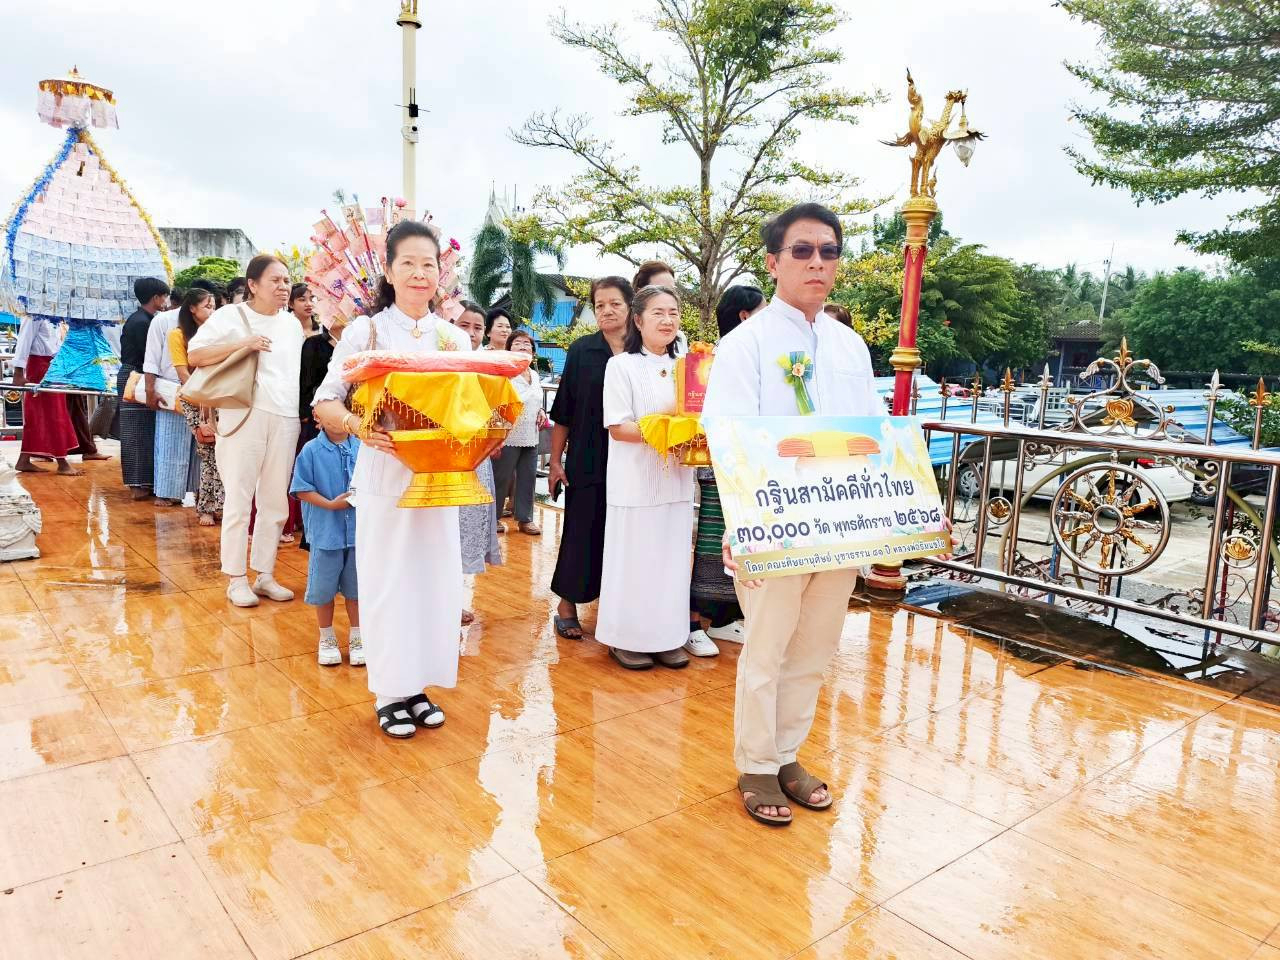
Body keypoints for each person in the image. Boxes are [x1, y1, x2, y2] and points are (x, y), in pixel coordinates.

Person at [703, 202, 881, 827]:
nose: (817, 262)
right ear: (774, 262)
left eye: (828, 252)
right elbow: (727, 439)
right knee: (768, 645)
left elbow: (871, 434)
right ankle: (754, 762)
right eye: (802, 251)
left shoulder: (850, 345)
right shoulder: (745, 344)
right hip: (774, 519)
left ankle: (786, 753)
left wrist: (878, 518)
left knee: (814, 647)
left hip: (839, 522)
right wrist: (740, 521)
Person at [312, 220, 471, 739]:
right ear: (389, 270)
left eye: (429, 264)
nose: (420, 274)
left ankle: (418, 684)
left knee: (434, 580)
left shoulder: (454, 337)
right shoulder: (367, 332)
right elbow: (325, 401)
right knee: (387, 580)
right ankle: (388, 691)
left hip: (438, 478)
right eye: (408, 263)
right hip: (384, 475)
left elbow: (470, 403)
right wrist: (360, 426)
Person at [187, 254, 303, 608]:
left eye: (286, 280)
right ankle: (236, 578)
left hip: (285, 417)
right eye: (275, 280)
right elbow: (195, 355)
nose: (283, 287)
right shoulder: (229, 317)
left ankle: (265, 574)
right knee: (238, 498)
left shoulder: (292, 325)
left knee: (274, 500)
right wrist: (243, 342)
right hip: (242, 415)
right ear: (253, 285)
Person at [597, 284, 696, 670]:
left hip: (675, 480)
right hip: (635, 481)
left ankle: (667, 637)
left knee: (670, 562)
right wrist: (670, 430)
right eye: (658, 313)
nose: (667, 320)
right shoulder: (621, 365)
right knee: (634, 562)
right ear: (637, 320)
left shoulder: (686, 368)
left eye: (673, 312)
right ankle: (626, 639)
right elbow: (619, 428)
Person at [547, 277, 632, 640]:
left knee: (624, 536)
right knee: (581, 531)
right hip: (587, 457)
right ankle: (567, 605)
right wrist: (554, 461)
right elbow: (563, 410)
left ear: (631, 307)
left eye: (614, 303)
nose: (607, 311)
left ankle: (619, 608)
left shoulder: (645, 351)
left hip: (633, 460)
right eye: (600, 305)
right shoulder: (583, 350)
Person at [688, 285, 767, 648]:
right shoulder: (708, 361)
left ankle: (724, 618)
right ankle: (696, 622)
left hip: (749, 466)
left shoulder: (760, 358)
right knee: (707, 542)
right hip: (715, 463)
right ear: (745, 317)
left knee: (737, 540)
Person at [290, 419, 362, 667]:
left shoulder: (362, 447)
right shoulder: (311, 450)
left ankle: (357, 637)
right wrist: (331, 505)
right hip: (324, 533)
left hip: (358, 535)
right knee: (323, 589)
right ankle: (327, 637)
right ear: (319, 418)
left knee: (356, 590)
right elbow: (300, 488)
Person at [452, 302, 502, 625]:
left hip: (476, 456)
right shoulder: (439, 359)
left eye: (477, 327)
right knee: (442, 528)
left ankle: (454, 600)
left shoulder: (488, 363)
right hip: (443, 455)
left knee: (467, 526)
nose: (470, 334)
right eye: (464, 325)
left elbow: (498, 405)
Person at [171, 288, 223, 526]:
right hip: (195, 399)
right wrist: (204, 396)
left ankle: (219, 505)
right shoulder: (178, 335)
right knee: (207, 452)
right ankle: (206, 508)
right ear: (192, 308)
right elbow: (183, 373)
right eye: (207, 306)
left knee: (222, 454)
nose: (212, 311)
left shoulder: (218, 334)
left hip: (220, 398)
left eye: (213, 306)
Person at [115, 278, 169, 497]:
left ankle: (144, 481)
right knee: (135, 431)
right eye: (164, 296)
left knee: (144, 429)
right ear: (155, 297)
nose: (165, 300)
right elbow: (149, 356)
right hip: (135, 376)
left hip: (136, 375)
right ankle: (138, 484)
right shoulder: (142, 322)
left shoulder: (144, 319)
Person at [492, 328, 545, 536]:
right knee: (501, 477)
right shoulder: (504, 373)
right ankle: (493, 518)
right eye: (518, 343)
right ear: (509, 349)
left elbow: (535, 399)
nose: (523, 346)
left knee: (528, 477)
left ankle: (525, 519)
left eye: (527, 344)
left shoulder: (534, 374)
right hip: (508, 435)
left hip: (531, 434)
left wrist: (540, 410)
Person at [11, 316, 80, 475]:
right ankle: (62, 462)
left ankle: (24, 459)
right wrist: (18, 372)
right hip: (40, 366)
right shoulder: (33, 315)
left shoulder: (53, 316)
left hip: (53, 365)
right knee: (54, 413)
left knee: (44, 413)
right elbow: (23, 342)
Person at [144, 301, 188, 505]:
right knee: (169, 441)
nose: (211, 309)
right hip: (169, 388)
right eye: (207, 305)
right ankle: (165, 491)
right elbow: (151, 358)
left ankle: (197, 491)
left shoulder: (210, 323)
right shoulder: (163, 321)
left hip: (196, 389)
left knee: (198, 447)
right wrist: (150, 389)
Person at [632, 260, 688, 353]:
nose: (665, 294)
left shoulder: (679, 338)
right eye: (658, 288)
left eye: (671, 290)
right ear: (640, 292)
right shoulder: (621, 341)